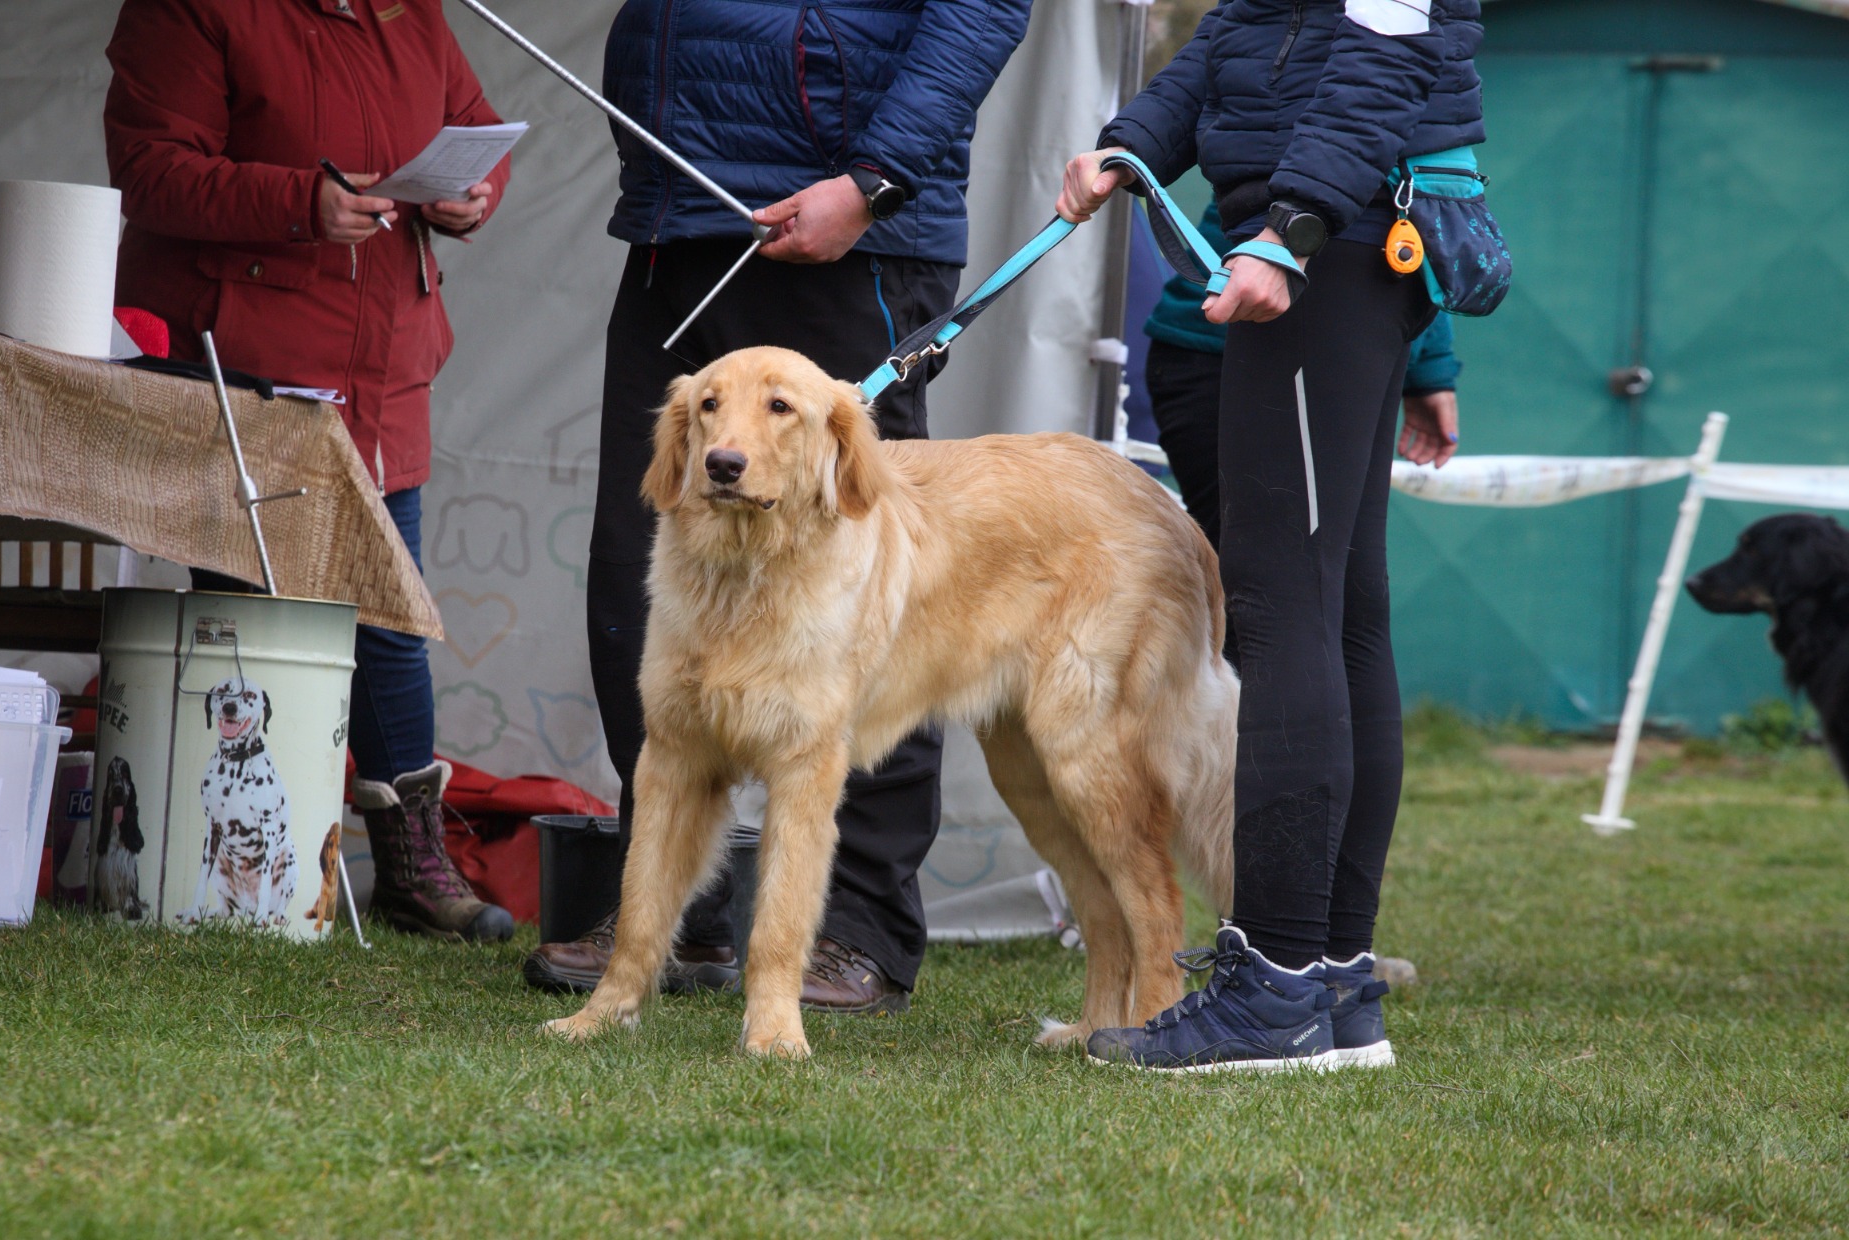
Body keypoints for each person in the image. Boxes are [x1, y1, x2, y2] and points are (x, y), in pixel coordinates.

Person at [521, 0, 1033, 1012]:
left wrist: (875, 180)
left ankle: (858, 931)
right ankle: (671, 923)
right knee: (635, 570)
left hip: (843, 227)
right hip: (680, 214)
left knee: (872, 593)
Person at [1059, 0, 1483, 1071]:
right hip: (1325, 235)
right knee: (1340, 613)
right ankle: (1332, 985)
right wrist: (1129, 145)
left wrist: (1291, 228)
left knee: (1285, 607)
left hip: (1318, 247)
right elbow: (1239, 33)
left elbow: (1383, 66)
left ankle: (1277, 989)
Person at [104, 0, 516, 942]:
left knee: (391, 618)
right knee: (259, 622)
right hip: (251, 365)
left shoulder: (410, 11)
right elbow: (149, 171)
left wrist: (475, 192)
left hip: (386, 368)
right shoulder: (196, 7)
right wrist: (301, 202)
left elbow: (477, 129)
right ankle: (239, 879)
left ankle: (410, 868)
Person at [1144, 196, 1462, 564]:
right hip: (1228, 352)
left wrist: (1429, 366)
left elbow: (1414, 198)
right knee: (1272, 572)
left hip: (1350, 352)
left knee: (1336, 572)